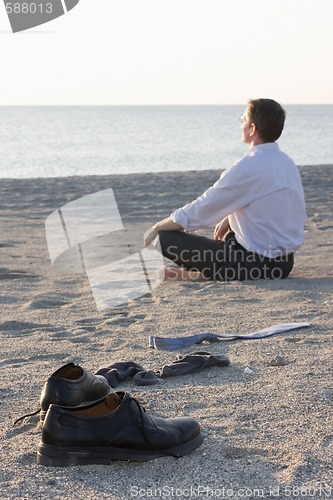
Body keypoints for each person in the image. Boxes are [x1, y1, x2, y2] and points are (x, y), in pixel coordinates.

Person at [144, 98, 306, 281]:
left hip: (255, 264)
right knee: (230, 234)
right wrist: (230, 218)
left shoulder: (248, 166)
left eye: (243, 120)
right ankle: (204, 273)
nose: (241, 125)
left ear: (252, 129)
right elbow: (273, 205)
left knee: (165, 238)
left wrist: (157, 227)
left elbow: (203, 208)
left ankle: (201, 275)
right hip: (284, 265)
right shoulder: (287, 163)